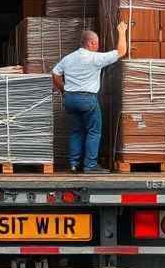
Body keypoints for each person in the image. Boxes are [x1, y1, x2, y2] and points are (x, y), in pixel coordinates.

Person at [52, 22, 128, 173]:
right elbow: (121, 52)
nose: (98, 47)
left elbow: (55, 73)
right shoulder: (94, 58)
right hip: (87, 99)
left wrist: (64, 90)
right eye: (97, 44)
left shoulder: (68, 58)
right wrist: (122, 31)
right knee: (94, 131)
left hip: (70, 99)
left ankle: (74, 164)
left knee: (76, 131)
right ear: (91, 43)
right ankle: (90, 166)